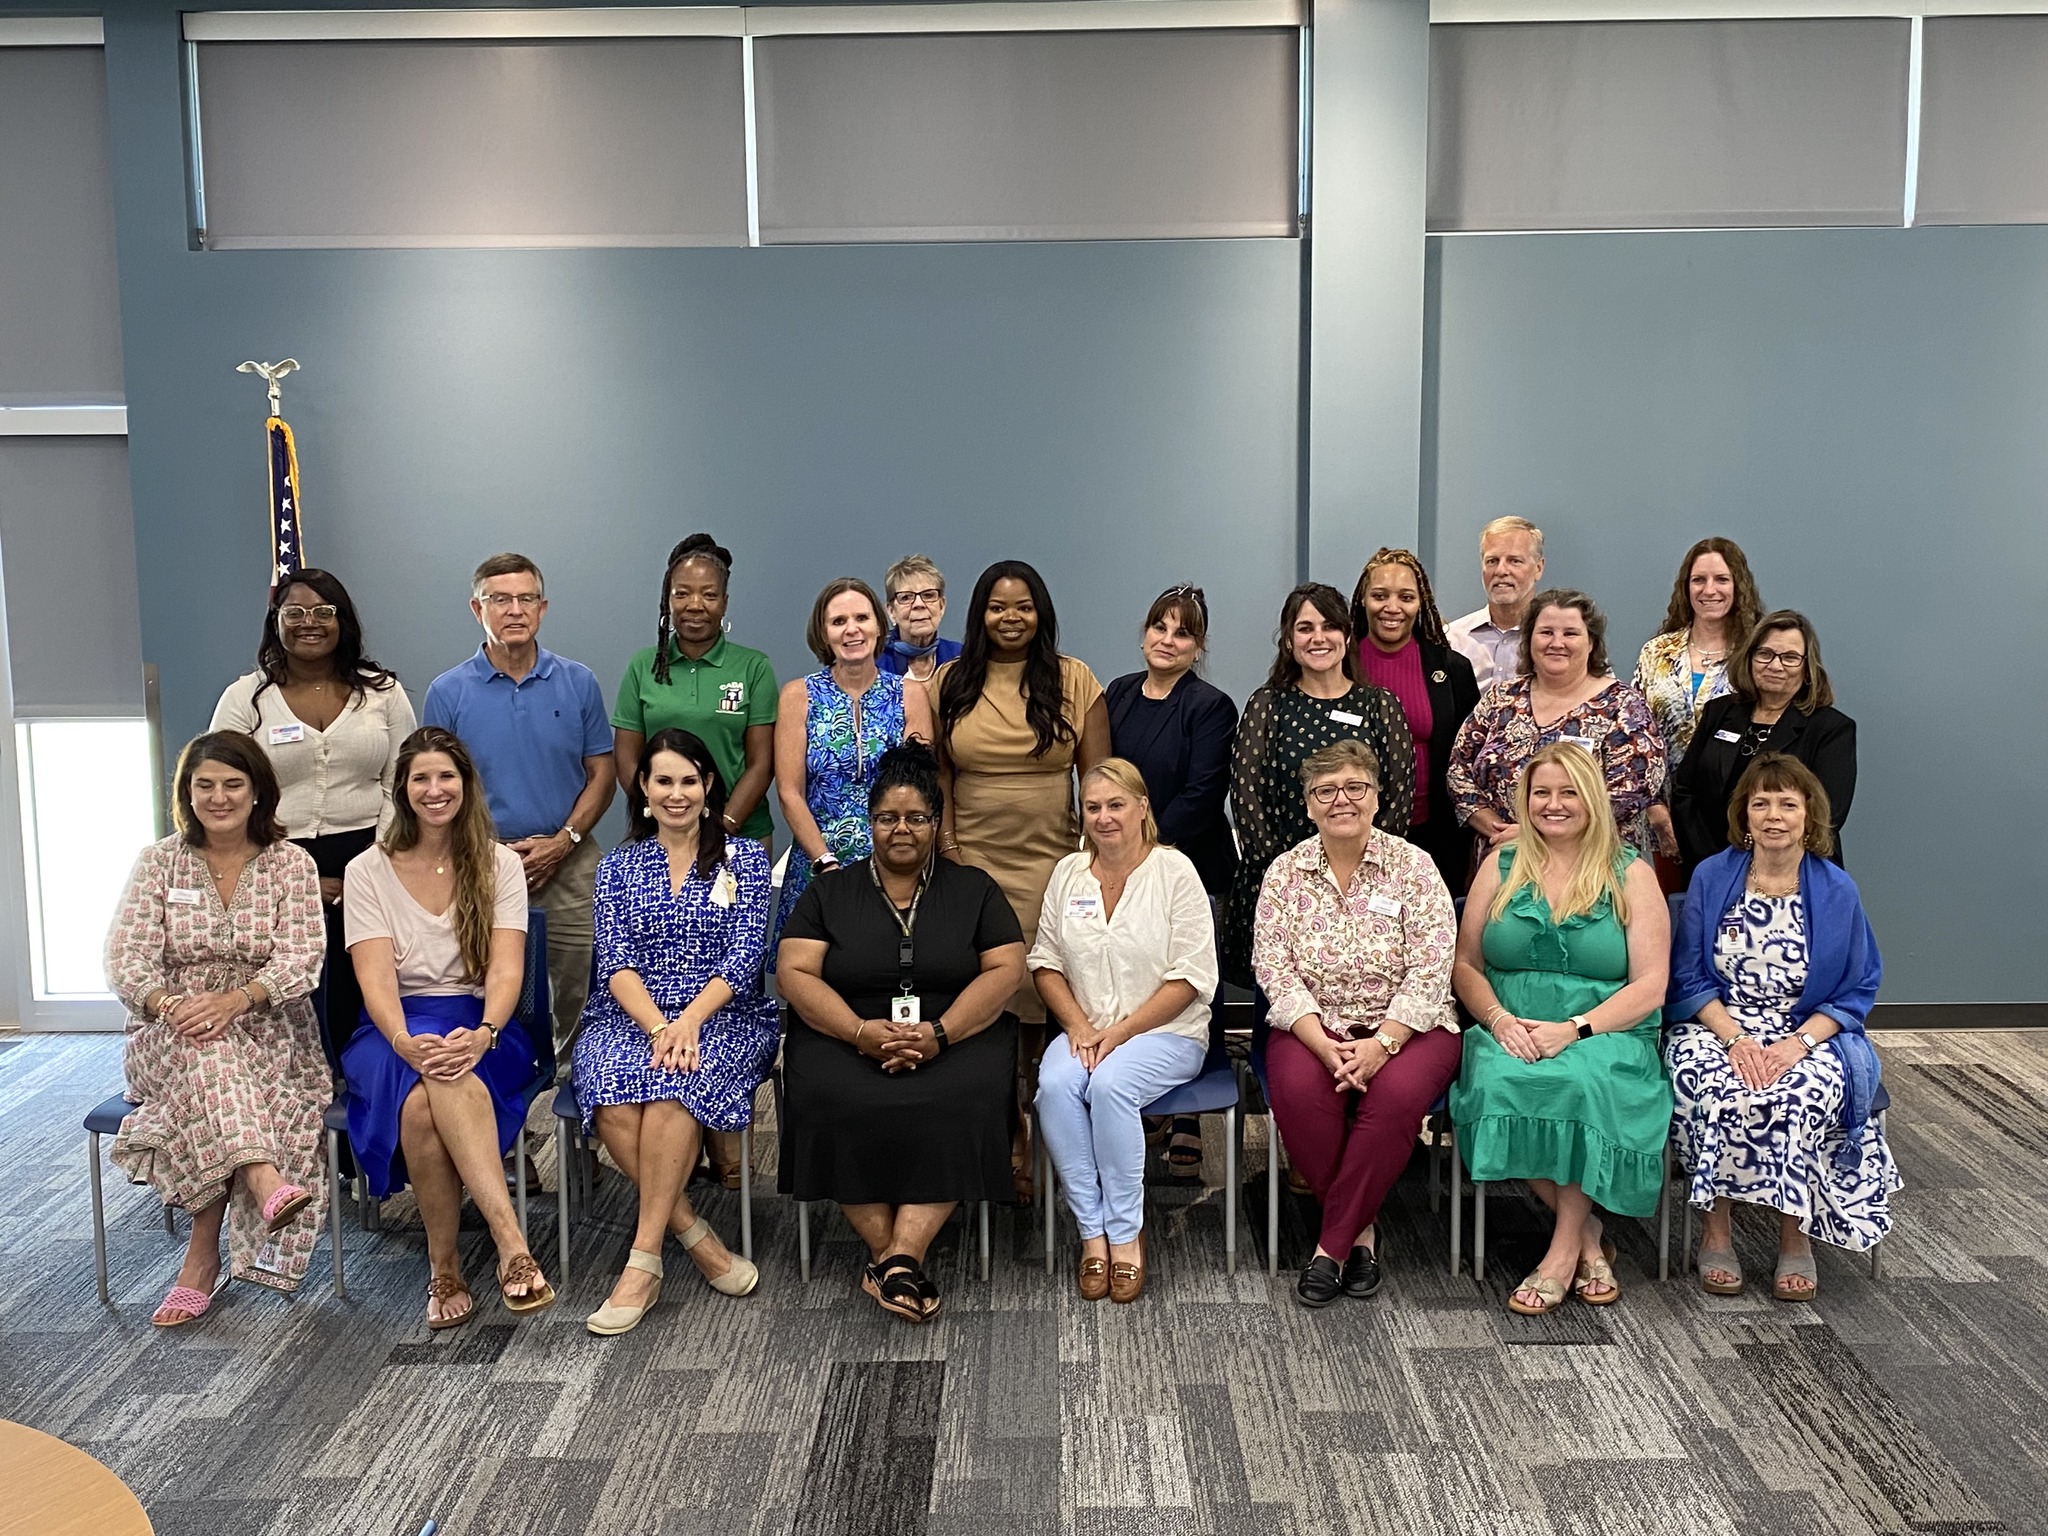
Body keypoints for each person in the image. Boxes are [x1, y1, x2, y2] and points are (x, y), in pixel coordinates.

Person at [777, 743, 1028, 1324]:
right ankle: (899, 1259)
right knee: (831, 1094)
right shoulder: (830, 892)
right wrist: (860, 1031)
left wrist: (940, 1033)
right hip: (846, 1029)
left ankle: (894, 1258)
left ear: (936, 824)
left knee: (963, 1095)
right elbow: (793, 971)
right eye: (888, 818)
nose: (902, 830)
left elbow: (1006, 970)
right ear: (870, 823)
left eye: (916, 818)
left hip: (956, 1030)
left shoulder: (974, 888)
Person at [105, 732, 328, 1325]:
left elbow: (303, 958)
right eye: (204, 784)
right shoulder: (159, 861)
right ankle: (262, 1176)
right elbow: (125, 958)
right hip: (167, 1029)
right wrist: (170, 1004)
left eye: (233, 784)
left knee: (217, 1059)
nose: (219, 797)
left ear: (258, 792)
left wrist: (237, 999)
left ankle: (200, 1260)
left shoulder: (292, 863)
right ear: (187, 792)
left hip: (271, 1026)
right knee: (206, 1049)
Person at [343, 727, 555, 1328]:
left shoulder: (498, 864)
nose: (435, 790)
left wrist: (485, 1031)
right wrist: (405, 1041)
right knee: (421, 1094)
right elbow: (377, 981)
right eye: (421, 779)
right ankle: (507, 1245)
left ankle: (452, 1266)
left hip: (484, 1022)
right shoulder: (368, 870)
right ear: (401, 789)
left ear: (465, 785)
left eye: (446, 777)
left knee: (424, 1105)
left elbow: (507, 967)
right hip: (393, 1027)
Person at [1449, 744, 1672, 1315]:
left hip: (1606, 1029)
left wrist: (1573, 1030)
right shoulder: (1500, 865)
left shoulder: (1631, 872)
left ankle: (1561, 1251)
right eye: (1541, 793)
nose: (1554, 805)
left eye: (1568, 792)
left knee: (1579, 1086)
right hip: (1509, 1023)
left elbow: (1650, 985)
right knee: (1504, 1086)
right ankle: (1590, 1237)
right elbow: (1466, 964)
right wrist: (1498, 1021)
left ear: (1592, 799)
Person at [1666, 755, 1898, 1300]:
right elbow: (1687, 975)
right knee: (1716, 1089)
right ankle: (1714, 1229)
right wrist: (1736, 1038)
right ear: (1743, 814)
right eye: (1761, 803)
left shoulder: (1836, 889)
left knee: (1796, 1096)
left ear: (1809, 815)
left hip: (1806, 1029)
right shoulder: (1712, 876)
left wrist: (1796, 1046)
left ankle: (1797, 1238)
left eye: (1788, 804)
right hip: (1718, 1022)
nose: (1774, 815)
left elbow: (1857, 986)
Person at [574, 730, 777, 1332]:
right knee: (611, 1096)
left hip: (723, 1014)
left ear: (709, 786)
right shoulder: (619, 865)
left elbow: (744, 959)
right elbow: (614, 963)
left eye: (689, 780)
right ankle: (694, 1235)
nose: (677, 793)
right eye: (663, 781)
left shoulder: (742, 860)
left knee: (672, 1085)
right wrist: (662, 1023)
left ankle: (641, 1264)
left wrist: (688, 1022)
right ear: (643, 788)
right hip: (633, 1012)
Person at [1252, 741, 1460, 1309]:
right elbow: (1272, 964)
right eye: (1325, 791)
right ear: (1308, 804)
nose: (1341, 800)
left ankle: (1330, 1247)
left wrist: (1384, 1044)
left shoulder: (1413, 867)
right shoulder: (1286, 871)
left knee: (1391, 1104)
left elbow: (1434, 963)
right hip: (1313, 1026)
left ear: (1376, 797)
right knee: (1299, 1094)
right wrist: (1321, 1043)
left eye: (1355, 787)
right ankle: (1361, 1234)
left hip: (1413, 1027)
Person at [935, 560, 1109, 1197]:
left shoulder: (1073, 678)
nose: (1011, 618)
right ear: (979, 615)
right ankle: (1006, 1127)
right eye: (998, 607)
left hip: (1054, 863)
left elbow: (1098, 780)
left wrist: (1092, 863)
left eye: (1024, 606)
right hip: (971, 862)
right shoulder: (952, 681)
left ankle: (1046, 1125)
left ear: (1042, 613)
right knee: (988, 995)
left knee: (1044, 993)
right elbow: (941, 779)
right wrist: (948, 848)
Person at [211, 569, 415, 1070]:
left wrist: (373, 865)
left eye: (323, 612)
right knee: (292, 996)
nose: (309, 623)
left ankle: (363, 1113)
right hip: (272, 863)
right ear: (274, 621)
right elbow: (224, 790)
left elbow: (402, 782)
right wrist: (293, 875)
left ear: (342, 621)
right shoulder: (245, 698)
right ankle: (295, 1112)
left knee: (364, 988)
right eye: (294, 612)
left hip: (372, 858)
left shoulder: (383, 692)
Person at [1030, 760, 1217, 1303]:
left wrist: (1122, 1032)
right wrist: (1081, 1026)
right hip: (1085, 1029)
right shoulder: (1068, 873)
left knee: (1111, 1086)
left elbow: (1191, 976)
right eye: (1093, 807)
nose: (1105, 817)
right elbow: (1045, 961)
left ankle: (1126, 1233)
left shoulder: (1174, 871)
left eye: (1116, 805)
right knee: (1056, 1088)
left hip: (1168, 1031)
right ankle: (1092, 1234)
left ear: (1142, 808)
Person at [422, 554, 614, 1054]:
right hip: (479, 862)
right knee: (485, 984)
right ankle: (501, 1089)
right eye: (499, 599)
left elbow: (602, 773)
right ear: (476, 608)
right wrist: (493, 856)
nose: (513, 610)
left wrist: (563, 841)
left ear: (542, 608)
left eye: (525, 598)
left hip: (569, 858)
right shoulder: (447, 692)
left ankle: (579, 1097)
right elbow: (437, 786)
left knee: (584, 985)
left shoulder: (578, 682)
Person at [1222, 582, 1413, 988]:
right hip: (1281, 881)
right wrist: (1290, 875)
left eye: (1329, 626)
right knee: (1279, 1001)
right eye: (1305, 628)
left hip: (1367, 883)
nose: (1318, 638)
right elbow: (1246, 795)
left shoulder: (1379, 705)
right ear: (1289, 641)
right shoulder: (1268, 705)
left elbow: (1397, 799)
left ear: (1346, 635)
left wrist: (1359, 873)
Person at [1447, 588, 1665, 858]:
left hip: (1589, 867)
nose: (1557, 642)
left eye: (1570, 633)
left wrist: (1533, 834)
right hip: (1502, 860)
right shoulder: (1501, 698)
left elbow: (1633, 791)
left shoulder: (1623, 707)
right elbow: (1459, 769)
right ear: (1529, 639)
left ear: (1591, 643)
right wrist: (1496, 828)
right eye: (1546, 632)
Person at [774, 577, 934, 931]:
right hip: (818, 870)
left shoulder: (911, 695)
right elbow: (789, 791)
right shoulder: (797, 695)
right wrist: (825, 863)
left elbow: (920, 788)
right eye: (838, 621)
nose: (852, 630)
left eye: (861, 618)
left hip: (896, 868)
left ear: (879, 625)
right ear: (823, 633)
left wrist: (892, 865)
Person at [614, 533, 779, 848]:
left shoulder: (754, 667)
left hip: (740, 834)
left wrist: (723, 827)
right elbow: (627, 756)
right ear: (668, 599)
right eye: (682, 594)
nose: (695, 605)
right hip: (660, 834)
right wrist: (663, 818)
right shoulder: (642, 666)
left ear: (725, 602)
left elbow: (762, 763)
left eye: (709, 595)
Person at [1670, 611, 1856, 877]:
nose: (1775, 666)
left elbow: (1826, 814)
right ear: (1750, 658)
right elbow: (1684, 790)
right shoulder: (1719, 712)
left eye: (1790, 657)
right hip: (1712, 868)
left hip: (1794, 874)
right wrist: (1714, 862)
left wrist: (1765, 863)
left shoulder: (1831, 729)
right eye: (1765, 654)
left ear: (1807, 668)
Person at [1350, 549, 1481, 894]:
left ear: (1420, 603)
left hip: (1435, 837)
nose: (1392, 607)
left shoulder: (1452, 670)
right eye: (1380, 595)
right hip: (1353, 834)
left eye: (1406, 597)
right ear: (1363, 600)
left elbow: (1469, 758)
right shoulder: (1339, 664)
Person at [1633, 538, 1763, 870]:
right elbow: (1634, 736)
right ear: (1685, 588)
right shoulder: (1656, 653)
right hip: (1666, 821)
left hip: (1738, 823)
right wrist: (1656, 812)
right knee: (1673, 916)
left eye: (1721, 579)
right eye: (1698, 580)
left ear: (1739, 585)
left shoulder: (1757, 654)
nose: (1709, 590)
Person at [1103, 584, 1239, 896]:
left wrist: (1143, 850)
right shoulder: (1118, 692)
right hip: (1118, 863)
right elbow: (1103, 772)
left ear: (1198, 647)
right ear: (1145, 633)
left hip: (1190, 870)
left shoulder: (1211, 706)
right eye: (1159, 627)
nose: (1167, 641)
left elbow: (1201, 796)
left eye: (1182, 634)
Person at [1445, 516, 1546, 688]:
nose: (1501, 571)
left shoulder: (1560, 642)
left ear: (1538, 568)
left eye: (1514, 561)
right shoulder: (1452, 640)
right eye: (1492, 561)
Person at [877, 553, 963, 685]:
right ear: (891, 611)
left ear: (942, 606)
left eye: (928, 595)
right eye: (906, 597)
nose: (919, 604)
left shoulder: (961, 657)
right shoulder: (874, 664)